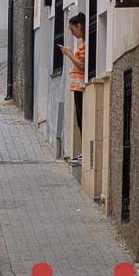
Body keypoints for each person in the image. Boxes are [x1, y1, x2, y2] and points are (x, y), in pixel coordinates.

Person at [58, 13, 87, 165]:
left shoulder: (85, 45)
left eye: (72, 29)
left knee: (82, 120)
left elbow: (82, 65)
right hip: (78, 87)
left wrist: (68, 53)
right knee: (80, 119)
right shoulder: (84, 43)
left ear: (79, 26)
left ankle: (84, 153)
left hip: (81, 87)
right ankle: (84, 152)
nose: (72, 33)